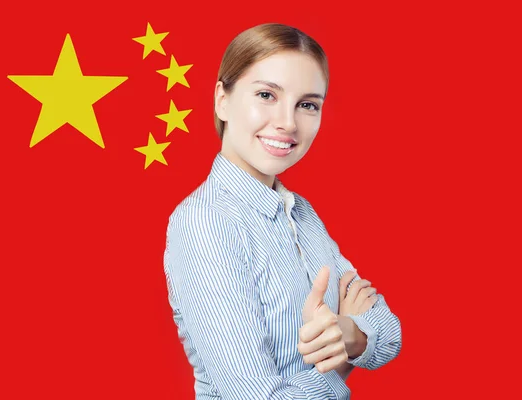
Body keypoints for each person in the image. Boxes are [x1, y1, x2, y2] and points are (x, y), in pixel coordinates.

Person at [163, 22, 402, 399]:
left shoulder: (301, 213)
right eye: (266, 95)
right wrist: (340, 362)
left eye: (307, 104)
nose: (288, 123)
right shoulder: (205, 222)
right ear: (222, 100)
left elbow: (388, 333)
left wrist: (351, 334)